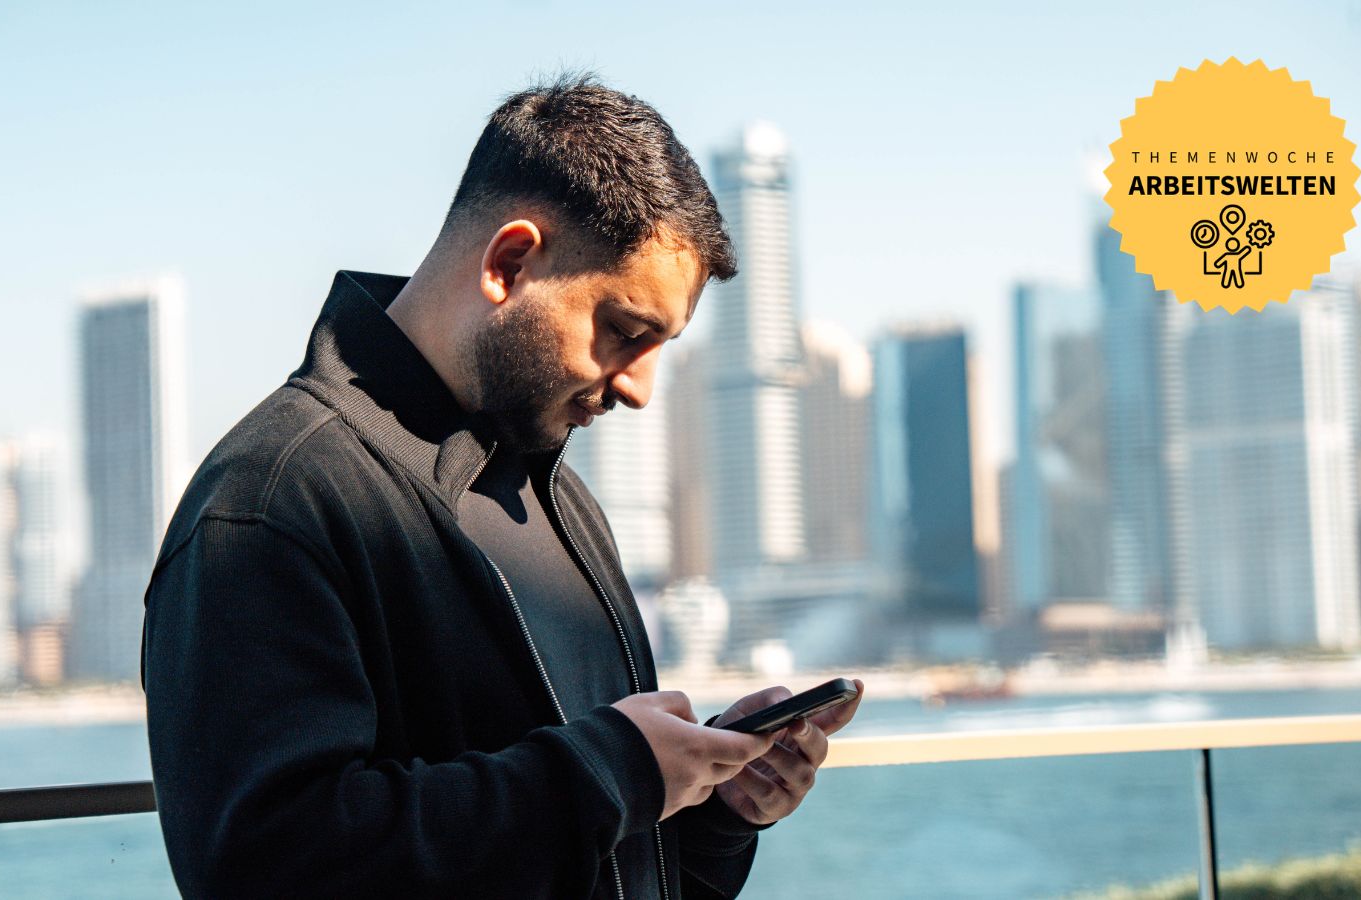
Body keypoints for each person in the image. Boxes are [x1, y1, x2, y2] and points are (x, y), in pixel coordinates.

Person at [140, 73, 863, 899]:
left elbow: (603, 854)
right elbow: (267, 869)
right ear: (510, 262)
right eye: (625, 331)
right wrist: (608, 772)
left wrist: (711, 808)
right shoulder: (272, 498)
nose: (641, 389)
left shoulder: (563, 504)